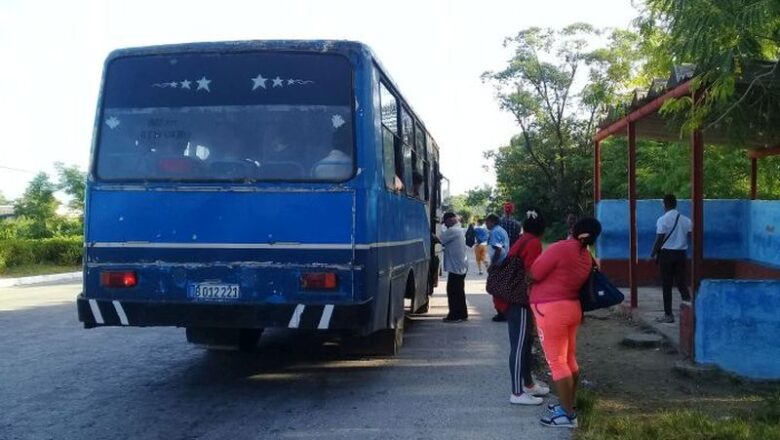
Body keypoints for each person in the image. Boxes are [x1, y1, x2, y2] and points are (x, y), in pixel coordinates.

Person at [529, 217, 602, 428]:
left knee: (557, 362)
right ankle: (569, 403)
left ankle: (567, 415)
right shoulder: (586, 256)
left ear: (574, 229)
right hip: (571, 309)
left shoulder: (561, 248)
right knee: (568, 359)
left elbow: (535, 273)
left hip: (551, 311)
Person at [503, 209, 550, 405]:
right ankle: (517, 393)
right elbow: (532, 273)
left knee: (526, 343)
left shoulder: (523, 240)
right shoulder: (533, 243)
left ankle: (528, 384)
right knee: (519, 345)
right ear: (542, 229)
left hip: (514, 297)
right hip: (520, 299)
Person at [650, 194, 692, 323]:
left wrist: (652, 254)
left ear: (664, 204)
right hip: (681, 254)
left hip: (666, 255)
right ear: (675, 204)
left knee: (667, 285)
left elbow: (659, 239)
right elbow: (691, 237)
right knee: (681, 283)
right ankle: (691, 312)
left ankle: (668, 315)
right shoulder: (686, 220)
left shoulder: (662, 220)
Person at [439, 212, 469, 323]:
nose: (445, 225)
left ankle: (455, 315)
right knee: (459, 291)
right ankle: (462, 313)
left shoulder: (453, 230)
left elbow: (440, 239)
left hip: (456, 267)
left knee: (453, 291)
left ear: (451, 220)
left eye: (445, 222)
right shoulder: (458, 230)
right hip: (460, 266)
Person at [485, 213, 511, 322]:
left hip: (499, 264)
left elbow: (498, 249)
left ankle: (501, 312)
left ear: (492, 222)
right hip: (504, 262)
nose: (486, 224)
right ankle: (504, 311)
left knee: (495, 289)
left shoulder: (495, 232)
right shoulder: (502, 230)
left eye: (487, 222)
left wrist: (492, 264)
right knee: (501, 288)